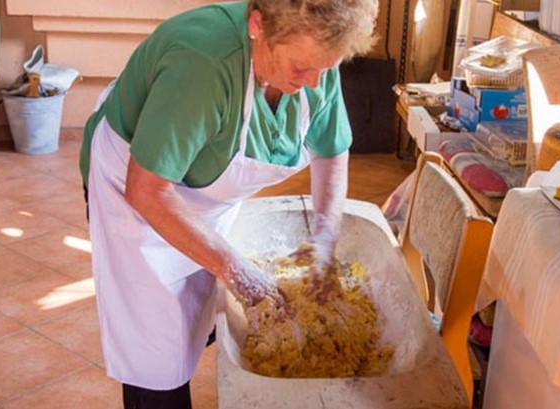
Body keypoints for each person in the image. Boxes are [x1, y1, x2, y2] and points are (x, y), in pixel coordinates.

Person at [79, 0, 378, 407]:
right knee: (156, 351)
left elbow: (331, 149)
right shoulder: (203, 66)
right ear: (258, 26)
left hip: (201, 188)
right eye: (301, 68)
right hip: (137, 193)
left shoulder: (315, 50)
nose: (313, 82)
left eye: (326, 68)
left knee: (203, 312)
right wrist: (236, 270)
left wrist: (325, 236)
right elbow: (147, 191)